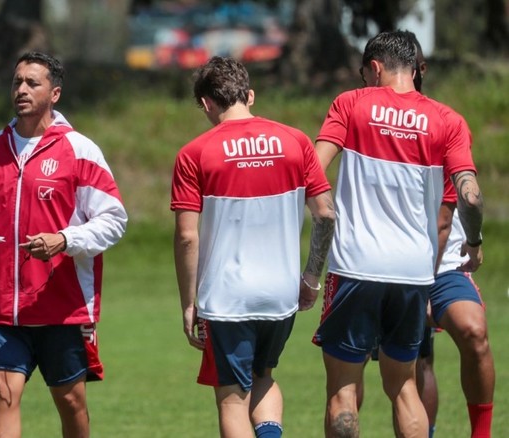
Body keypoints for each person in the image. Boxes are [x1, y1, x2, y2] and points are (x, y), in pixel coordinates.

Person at [312, 31, 484, 437]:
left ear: (374, 68)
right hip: (413, 272)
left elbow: (313, 171)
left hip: (355, 266)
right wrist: (473, 243)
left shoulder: (351, 104)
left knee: (343, 391)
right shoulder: (448, 120)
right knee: (404, 386)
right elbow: (470, 197)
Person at [171, 56, 335, 437]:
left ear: (206, 103)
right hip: (281, 294)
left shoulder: (194, 153)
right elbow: (326, 214)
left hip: (227, 297)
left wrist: (188, 303)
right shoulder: (296, 141)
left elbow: (186, 236)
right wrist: (311, 277)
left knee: (232, 400)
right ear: (250, 96)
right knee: (263, 375)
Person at [0, 51, 127, 438]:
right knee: (1, 391)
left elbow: (114, 220)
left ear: (54, 93)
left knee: (71, 400)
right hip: (5, 307)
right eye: (16, 82)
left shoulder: (80, 150)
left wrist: (65, 239)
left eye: (32, 83)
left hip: (62, 306)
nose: (21, 90)